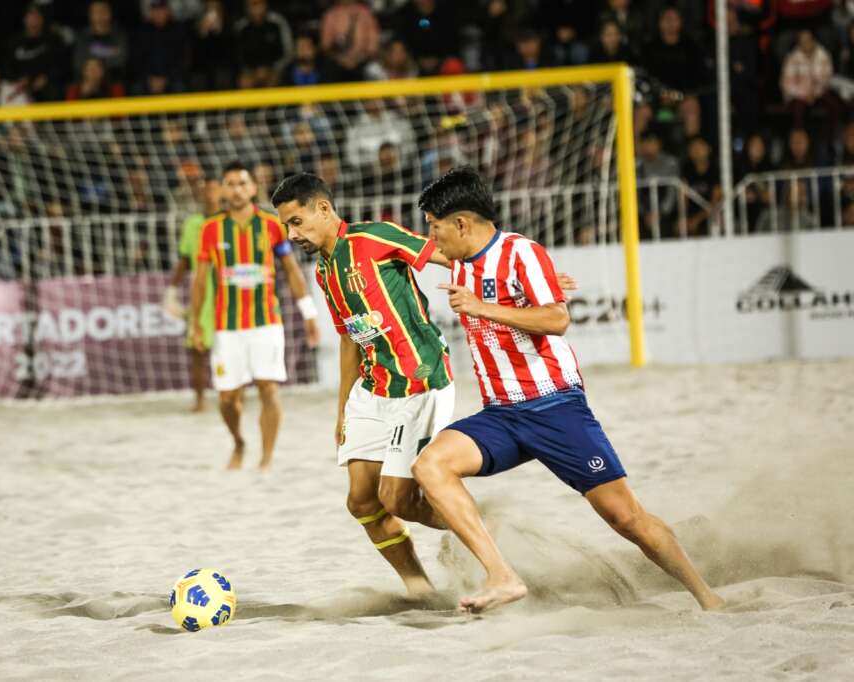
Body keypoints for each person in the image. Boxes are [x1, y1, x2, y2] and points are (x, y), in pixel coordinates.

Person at [411, 167, 724, 614]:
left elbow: (557, 320)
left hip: (555, 406)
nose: (431, 235)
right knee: (431, 466)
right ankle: (502, 575)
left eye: (435, 225)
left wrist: (483, 306)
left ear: (462, 223)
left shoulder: (521, 252)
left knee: (625, 518)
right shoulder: (461, 258)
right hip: (502, 414)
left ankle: (708, 597)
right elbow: (408, 245)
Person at [271, 172, 455, 597]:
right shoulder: (324, 270)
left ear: (323, 208)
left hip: (420, 381)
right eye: (285, 226)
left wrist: (524, 282)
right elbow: (350, 339)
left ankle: (480, 527)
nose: (291, 233)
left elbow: (454, 255)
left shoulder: (375, 237)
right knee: (362, 502)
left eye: (296, 221)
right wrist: (341, 412)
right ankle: (420, 591)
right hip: (373, 391)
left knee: (399, 499)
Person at [189, 162, 319, 470]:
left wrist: (309, 314)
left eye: (241, 183)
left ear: (252, 188)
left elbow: (290, 270)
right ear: (222, 189)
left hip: (266, 322)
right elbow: (200, 280)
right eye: (230, 183)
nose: (236, 189)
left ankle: (266, 458)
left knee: (268, 388)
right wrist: (195, 322)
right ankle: (238, 441)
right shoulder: (210, 229)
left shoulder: (272, 225)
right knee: (226, 399)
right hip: (226, 327)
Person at [170, 176, 220, 412]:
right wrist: (170, 291)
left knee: (231, 350)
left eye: (213, 190)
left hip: (229, 294)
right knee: (197, 349)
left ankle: (233, 395)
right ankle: (200, 399)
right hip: (202, 292)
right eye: (205, 190)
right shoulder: (193, 224)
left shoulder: (231, 221)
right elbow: (184, 259)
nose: (209, 195)